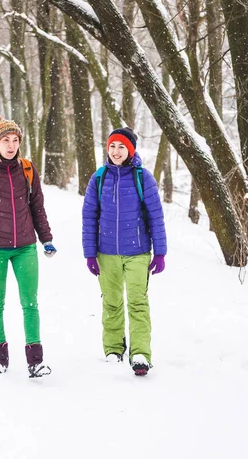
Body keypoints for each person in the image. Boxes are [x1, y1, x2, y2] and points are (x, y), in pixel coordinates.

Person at [0, 115, 57, 378]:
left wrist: (46, 238)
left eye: (15, 140)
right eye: (6, 140)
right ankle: (0, 358)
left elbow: (37, 206)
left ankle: (35, 360)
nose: (11, 145)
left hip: (25, 246)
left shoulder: (27, 168)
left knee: (30, 303)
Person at [82, 127, 167, 376]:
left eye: (121, 147)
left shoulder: (143, 178)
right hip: (106, 252)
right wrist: (90, 253)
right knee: (111, 302)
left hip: (138, 252)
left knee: (138, 302)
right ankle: (113, 349)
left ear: (130, 150)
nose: (116, 151)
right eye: (112, 146)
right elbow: (89, 217)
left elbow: (156, 216)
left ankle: (140, 352)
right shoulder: (99, 179)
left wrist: (159, 252)